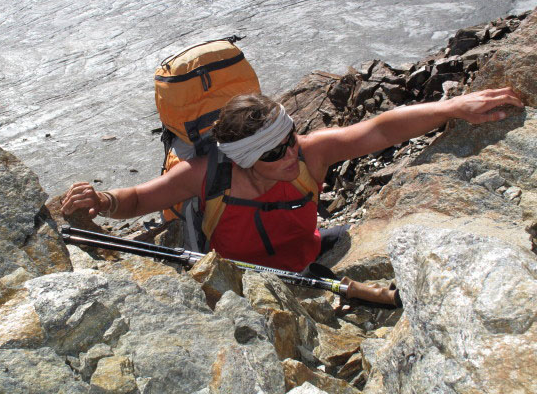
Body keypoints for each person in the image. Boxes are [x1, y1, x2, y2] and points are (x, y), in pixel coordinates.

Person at [61, 87, 523, 272]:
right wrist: (102, 200)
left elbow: (380, 128)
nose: (289, 154)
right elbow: (140, 198)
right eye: (273, 152)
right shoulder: (205, 174)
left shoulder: (309, 155)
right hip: (240, 275)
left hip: (303, 257)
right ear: (241, 160)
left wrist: (453, 108)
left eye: (290, 138)